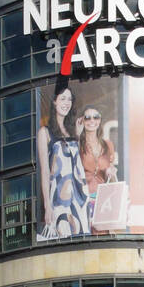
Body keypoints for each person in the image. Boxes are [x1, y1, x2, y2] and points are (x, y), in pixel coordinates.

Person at [37, 82, 90, 240]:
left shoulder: (73, 131)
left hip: (79, 196)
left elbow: (79, 164)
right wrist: (47, 205)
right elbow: (45, 172)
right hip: (59, 198)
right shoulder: (44, 133)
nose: (66, 103)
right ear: (54, 101)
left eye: (69, 99)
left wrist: (79, 136)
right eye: (62, 99)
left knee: (82, 238)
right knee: (63, 235)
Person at [78, 104, 118, 227]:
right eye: (87, 117)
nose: (92, 121)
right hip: (83, 199)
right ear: (82, 120)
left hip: (103, 201)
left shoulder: (108, 145)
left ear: (100, 120)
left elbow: (111, 178)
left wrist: (111, 172)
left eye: (96, 117)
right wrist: (78, 134)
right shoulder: (77, 144)